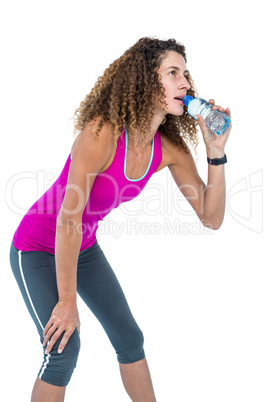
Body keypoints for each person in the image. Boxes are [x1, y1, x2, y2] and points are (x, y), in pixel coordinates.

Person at [9, 37, 231, 402]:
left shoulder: (169, 149)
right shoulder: (102, 133)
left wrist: (216, 153)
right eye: (173, 73)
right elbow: (67, 221)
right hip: (35, 247)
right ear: (146, 80)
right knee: (63, 352)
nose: (186, 83)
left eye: (185, 74)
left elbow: (211, 217)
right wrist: (67, 302)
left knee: (130, 340)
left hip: (82, 245)